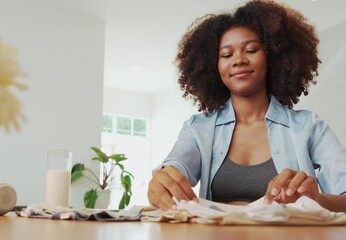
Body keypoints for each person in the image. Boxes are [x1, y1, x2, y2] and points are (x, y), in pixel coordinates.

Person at [147, 0, 346, 212]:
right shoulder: (197, 129)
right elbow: (175, 167)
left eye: (251, 50)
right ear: (214, 67)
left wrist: (314, 199)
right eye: (226, 54)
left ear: (272, 57)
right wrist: (163, 182)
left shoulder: (309, 126)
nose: (239, 60)